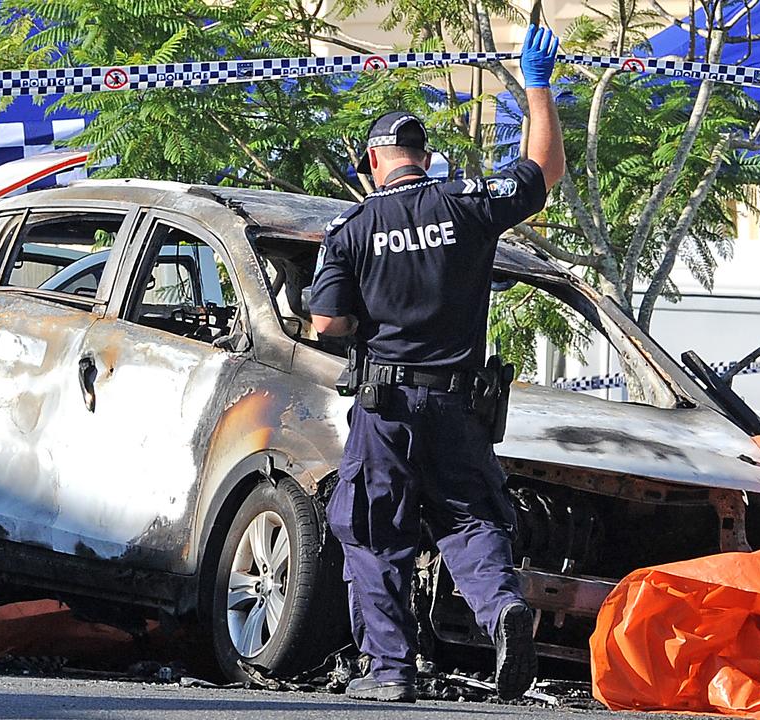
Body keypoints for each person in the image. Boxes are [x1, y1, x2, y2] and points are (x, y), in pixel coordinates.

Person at [306, 23, 566, 703]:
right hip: (457, 403)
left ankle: (390, 674)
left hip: (385, 407)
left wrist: (368, 322)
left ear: (372, 160)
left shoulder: (350, 230)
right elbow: (543, 174)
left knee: (375, 533)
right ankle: (501, 609)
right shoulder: (465, 205)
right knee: (471, 518)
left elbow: (326, 322)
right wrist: (536, 86)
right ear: (426, 157)